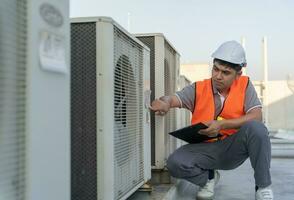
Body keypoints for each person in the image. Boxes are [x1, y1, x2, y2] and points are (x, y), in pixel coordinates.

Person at [150, 41, 273, 200]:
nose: (218, 76)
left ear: (238, 74)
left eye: (225, 72)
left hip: (232, 147)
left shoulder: (245, 85)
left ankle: (263, 187)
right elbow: (174, 99)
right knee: (175, 163)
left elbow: (257, 116)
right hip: (204, 149)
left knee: (258, 129)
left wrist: (222, 124)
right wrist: (165, 102)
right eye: (215, 69)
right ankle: (208, 179)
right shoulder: (198, 88)